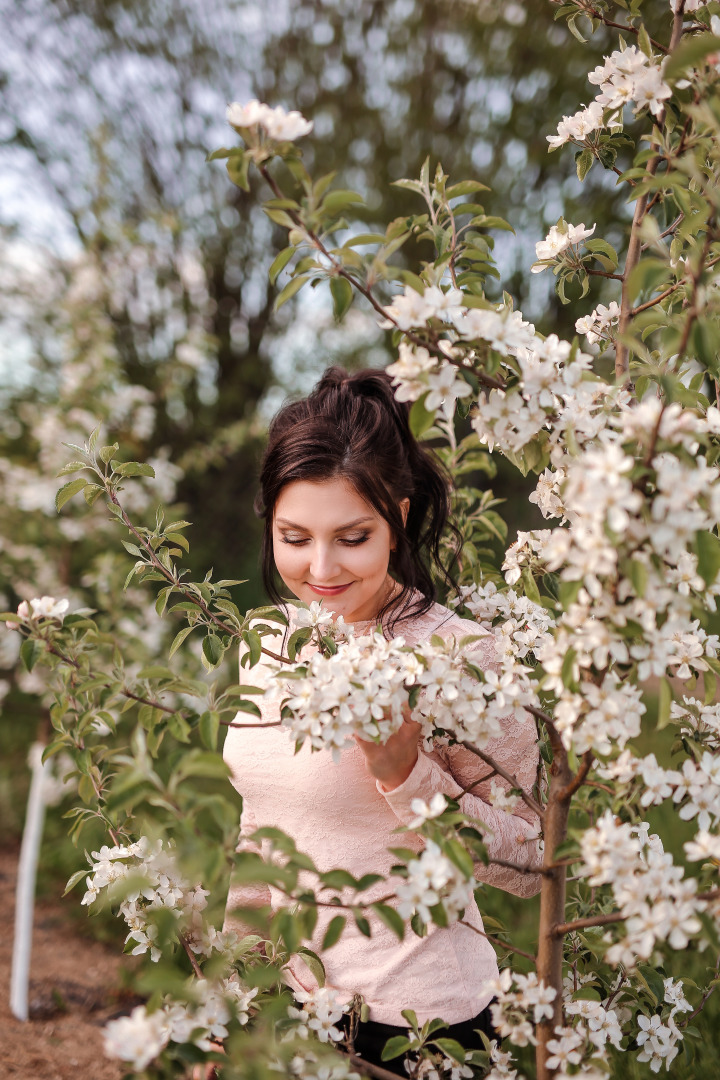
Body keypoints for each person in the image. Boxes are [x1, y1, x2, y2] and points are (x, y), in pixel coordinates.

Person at [222, 366, 542, 1074]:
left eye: (353, 536)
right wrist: (230, 999)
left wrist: (409, 776)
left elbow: (529, 860)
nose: (321, 567)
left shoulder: (461, 655)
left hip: (424, 1028)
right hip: (299, 1011)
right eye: (295, 536)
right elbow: (261, 834)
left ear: (396, 519)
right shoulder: (267, 640)